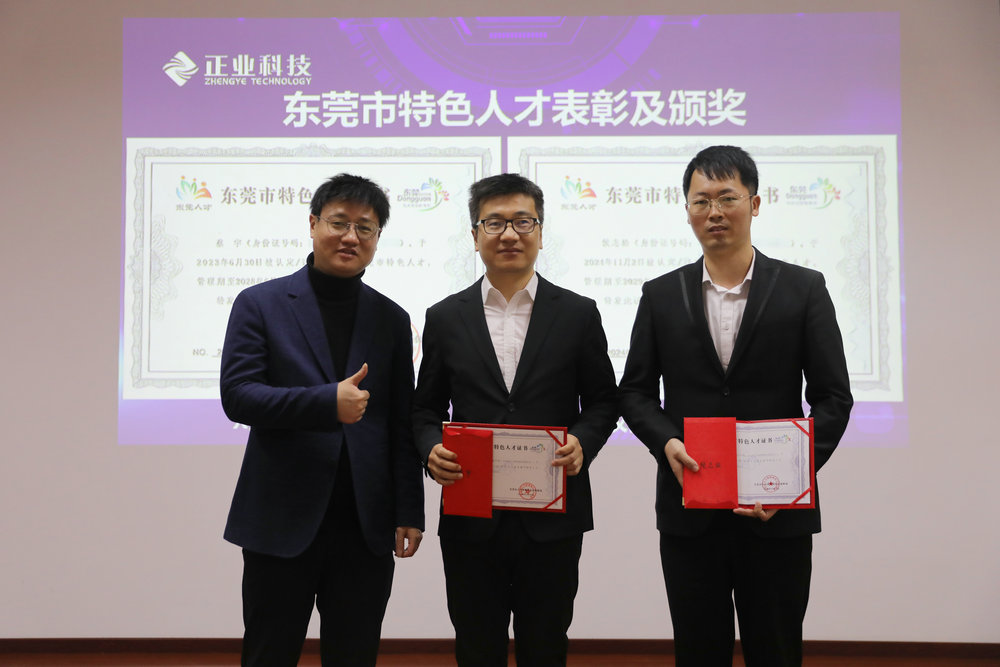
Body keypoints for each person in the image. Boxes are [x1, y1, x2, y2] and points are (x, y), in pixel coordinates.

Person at [618, 146, 853, 667]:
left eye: (727, 198)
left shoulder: (803, 288)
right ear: (686, 210)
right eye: (701, 201)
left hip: (777, 514)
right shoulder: (660, 294)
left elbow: (833, 397)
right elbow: (634, 392)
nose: (715, 212)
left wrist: (792, 478)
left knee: (776, 649)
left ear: (755, 203)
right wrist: (666, 442)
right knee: (698, 650)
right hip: (690, 509)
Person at [413, 173, 618, 666]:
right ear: (475, 235)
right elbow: (423, 409)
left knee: (545, 644)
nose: (510, 234)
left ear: (541, 233)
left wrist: (583, 442)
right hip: (470, 515)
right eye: (495, 223)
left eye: (523, 222)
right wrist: (429, 450)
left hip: (552, 515)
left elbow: (604, 401)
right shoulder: (444, 317)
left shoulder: (578, 313)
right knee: (476, 644)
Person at [220, 173, 425, 666]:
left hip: (364, 523)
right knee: (269, 652)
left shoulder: (391, 318)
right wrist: (325, 403)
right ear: (313, 224)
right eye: (339, 222)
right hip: (281, 516)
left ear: (377, 237)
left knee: (355, 654)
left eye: (365, 227)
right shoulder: (260, 303)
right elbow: (239, 397)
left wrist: (410, 510)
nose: (351, 237)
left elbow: (401, 423)